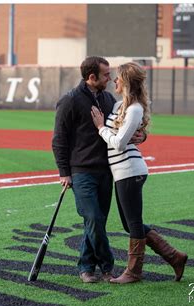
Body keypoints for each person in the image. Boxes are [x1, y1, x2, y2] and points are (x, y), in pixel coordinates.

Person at [90, 62, 188, 284]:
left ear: (125, 80)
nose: (114, 81)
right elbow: (127, 135)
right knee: (128, 224)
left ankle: (134, 272)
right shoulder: (118, 106)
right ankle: (174, 257)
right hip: (121, 172)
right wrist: (139, 136)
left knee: (133, 223)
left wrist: (100, 128)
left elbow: (120, 143)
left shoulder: (134, 109)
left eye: (117, 78)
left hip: (131, 170)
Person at [52, 56, 146, 283]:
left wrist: (142, 136)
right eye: (105, 75)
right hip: (81, 172)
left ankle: (86, 267)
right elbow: (59, 140)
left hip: (107, 172)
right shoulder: (70, 101)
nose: (110, 78)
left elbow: (124, 127)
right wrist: (64, 172)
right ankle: (106, 266)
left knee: (97, 221)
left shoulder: (108, 99)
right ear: (91, 77)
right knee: (93, 217)